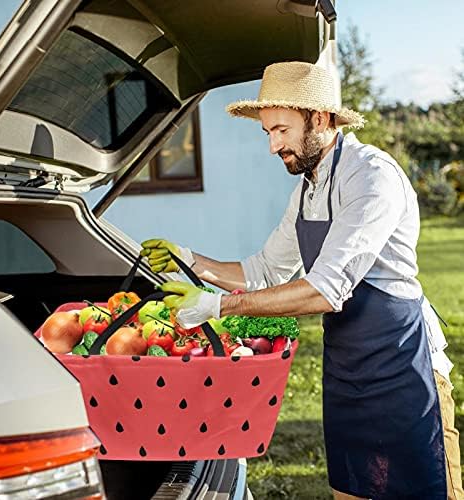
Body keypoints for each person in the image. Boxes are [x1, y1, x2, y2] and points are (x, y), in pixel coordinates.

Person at [140, 62, 463, 500]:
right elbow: (266, 271)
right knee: (352, 491)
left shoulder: (371, 177)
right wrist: (192, 260)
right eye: (268, 133)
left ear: (320, 118)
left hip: (403, 365)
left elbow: (326, 289)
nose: (273, 146)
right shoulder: (308, 188)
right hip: (347, 367)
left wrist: (219, 306)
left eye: (281, 130)